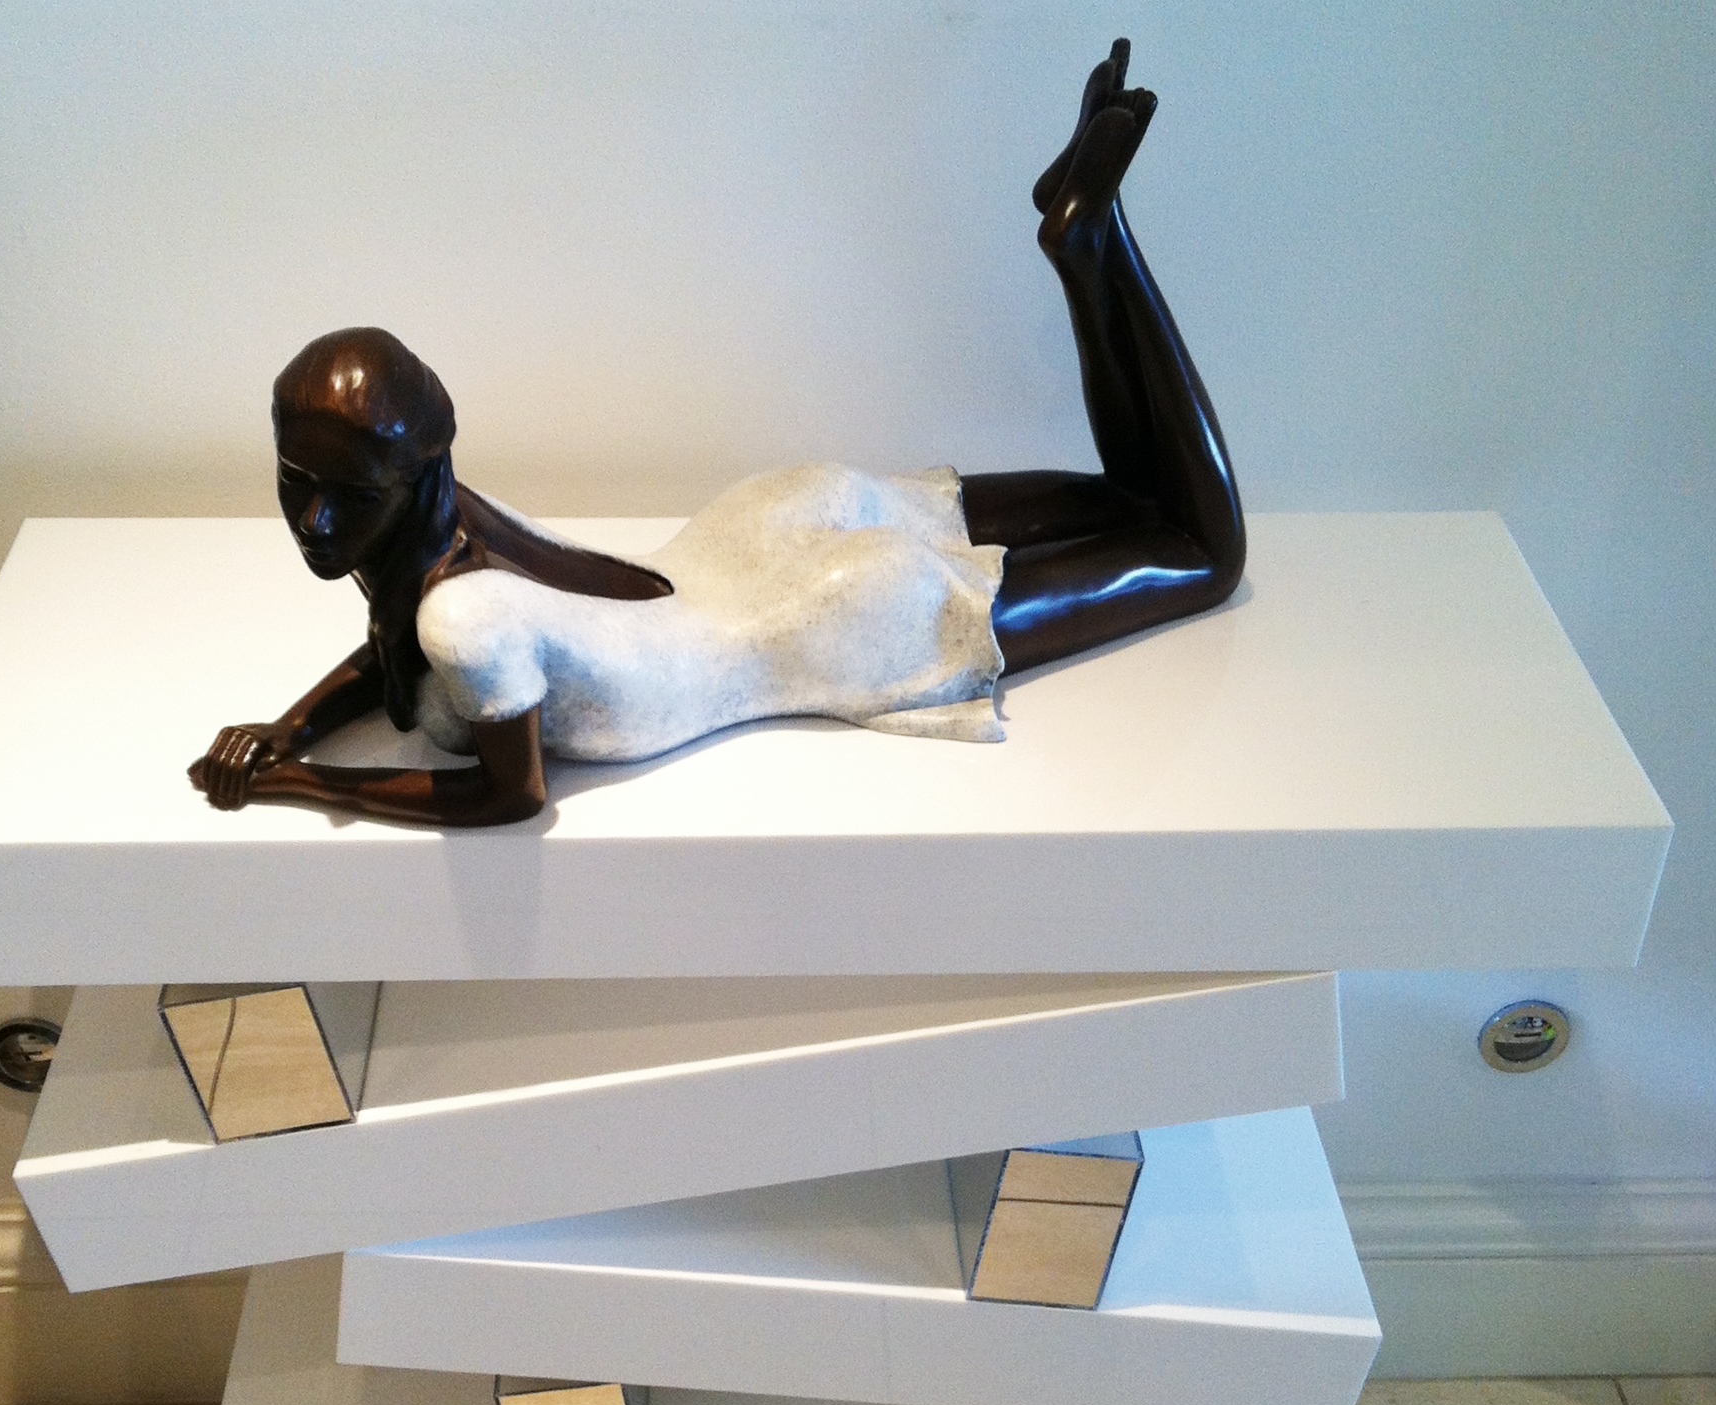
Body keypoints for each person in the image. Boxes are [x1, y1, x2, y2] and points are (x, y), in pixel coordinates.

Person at [191, 41, 1242, 829]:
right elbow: (396, 645)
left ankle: (1099, 241)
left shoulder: (466, 619)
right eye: (294, 481)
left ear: (413, 475)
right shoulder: (446, 524)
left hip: (840, 615)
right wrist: (290, 722)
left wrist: (297, 780)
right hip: (756, 529)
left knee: (1201, 550)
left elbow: (510, 797)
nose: (311, 521)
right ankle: (1087, 245)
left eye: (346, 495)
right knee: (1137, 501)